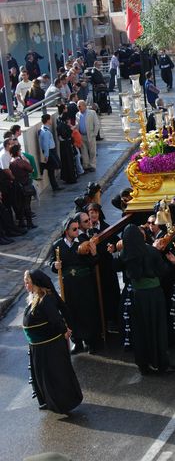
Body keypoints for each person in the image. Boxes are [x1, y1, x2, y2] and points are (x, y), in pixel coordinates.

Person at [119, 224, 175, 374]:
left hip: (137, 295)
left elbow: (118, 266)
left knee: (140, 330)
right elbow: (163, 271)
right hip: (153, 295)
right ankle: (161, 362)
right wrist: (172, 264)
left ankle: (143, 364)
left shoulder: (125, 253)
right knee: (157, 328)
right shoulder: (151, 251)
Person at [22, 269, 82, 415]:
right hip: (38, 346)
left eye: (27, 282)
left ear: (35, 283)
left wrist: (65, 331)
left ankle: (63, 403)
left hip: (50, 346)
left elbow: (56, 319)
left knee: (55, 376)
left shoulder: (46, 299)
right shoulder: (33, 297)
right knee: (43, 376)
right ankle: (48, 401)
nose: (25, 285)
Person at [50, 217, 101, 354]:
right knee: (71, 312)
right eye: (74, 229)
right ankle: (77, 341)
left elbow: (92, 262)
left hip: (84, 284)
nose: (77, 231)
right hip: (69, 285)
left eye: (78, 228)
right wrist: (55, 266)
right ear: (66, 231)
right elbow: (52, 265)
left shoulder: (83, 244)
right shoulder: (57, 246)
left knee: (86, 311)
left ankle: (90, 341)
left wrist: (94, 252)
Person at [9, 144, 37, 230]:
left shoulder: (11, 162)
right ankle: (29, 223)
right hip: (25, 186)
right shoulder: (21, 162)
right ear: (17, 152)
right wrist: (26, 160)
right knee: (27, 205)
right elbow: (31, 169)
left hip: (16, 186)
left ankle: (21, 222)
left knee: (19, 205)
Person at [38, 114, 62, 191]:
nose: (51, 120)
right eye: (50, 119)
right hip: (50, 151)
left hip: (52, 150)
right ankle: (43, 166)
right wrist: (46, 155)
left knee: (51, 170)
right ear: (48, 120)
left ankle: (55, 186)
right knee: (56, 165)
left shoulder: (45, 129)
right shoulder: (45, 132)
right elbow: (45, 145)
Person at [76, 100, 100, 172]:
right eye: (77, 106)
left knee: (92, 151)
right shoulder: (77, 114)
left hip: (90, 135)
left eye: (79, 106)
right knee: (84, 152)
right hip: (82, 136)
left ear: (84, 106)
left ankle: (92, 165)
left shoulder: (92, 113)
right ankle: (86, 165)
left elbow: (96, 124)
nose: (78, 108)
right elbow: (77, 125)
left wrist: (94, 134)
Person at [56, 105, 78, 184]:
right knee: (69, 162)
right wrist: (71, 130)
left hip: (63, 145)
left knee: (65, 162)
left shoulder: (60, 124)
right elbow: (66, 135)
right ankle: (71, 178)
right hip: (67, 145)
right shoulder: (64, 126)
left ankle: (67, 177)